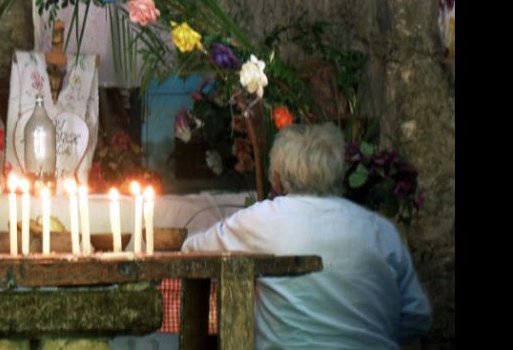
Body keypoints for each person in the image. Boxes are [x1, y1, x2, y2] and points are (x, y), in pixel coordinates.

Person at [182, 122, 432, 349]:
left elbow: (192, 251)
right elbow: (417, 316)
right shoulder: (381, 230)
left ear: (277, 180)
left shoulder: (262, 220)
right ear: (339, 174)